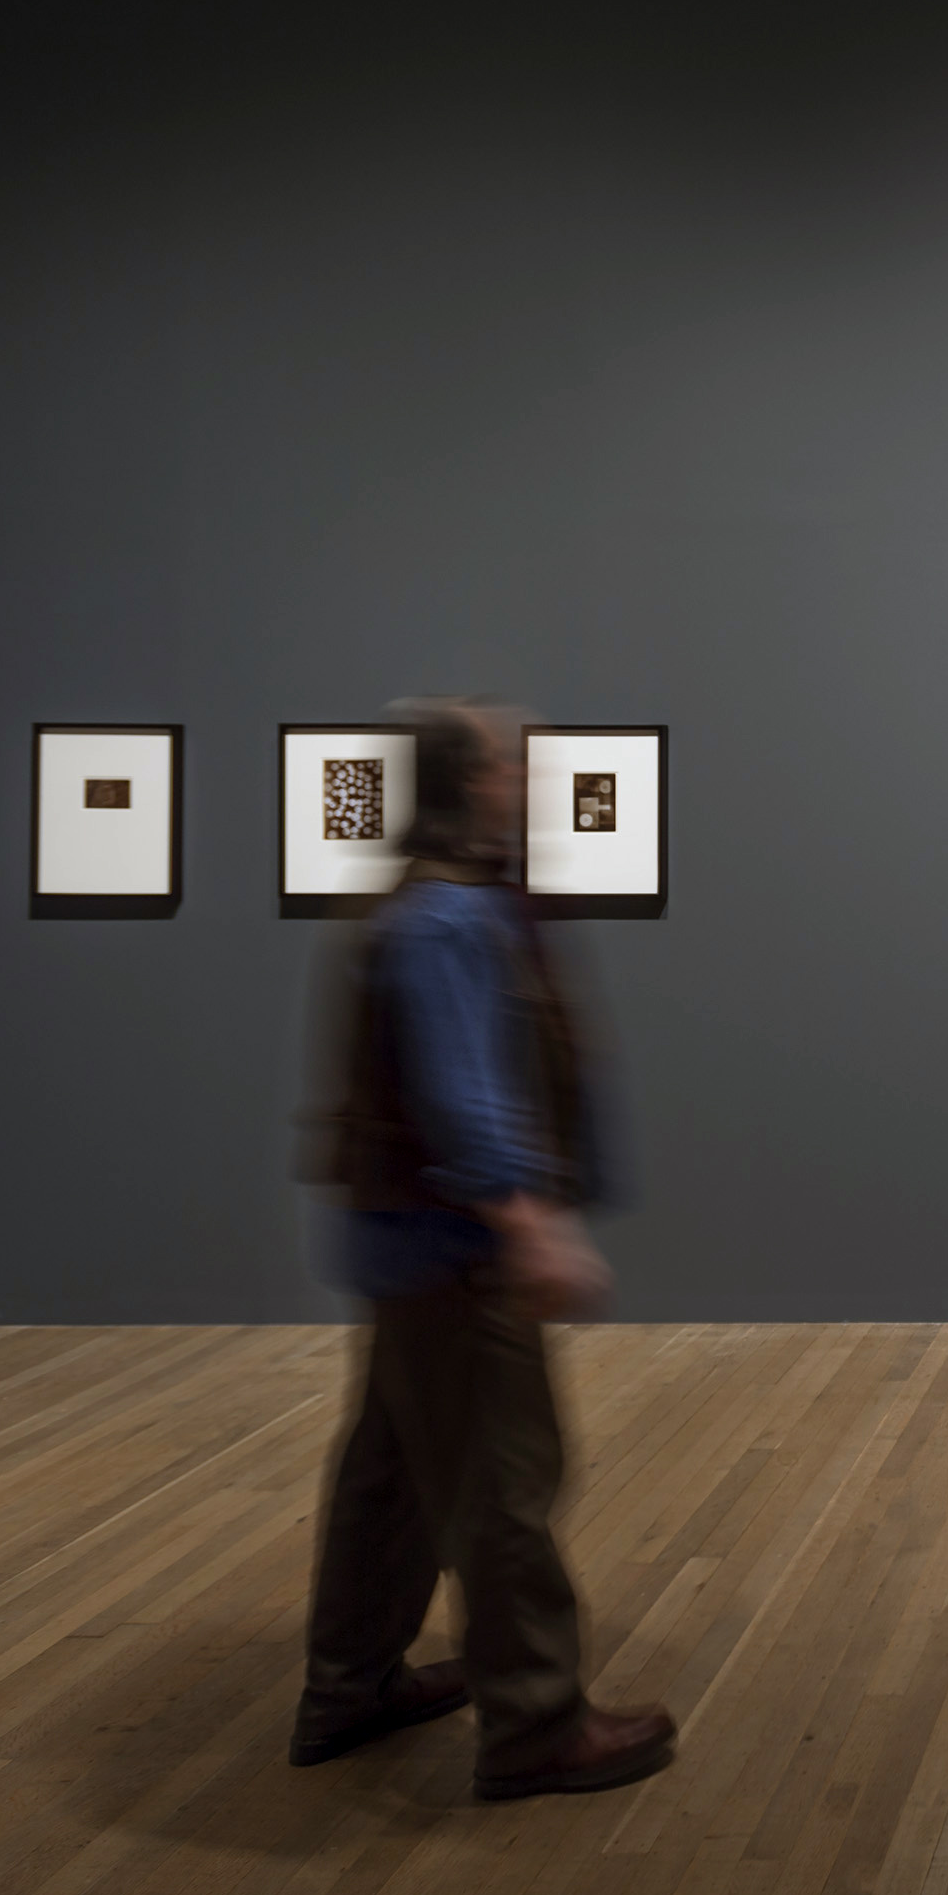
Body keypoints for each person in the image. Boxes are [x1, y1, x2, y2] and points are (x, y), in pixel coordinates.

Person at [289, 698, 676, 1800]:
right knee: (505, 1481)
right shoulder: (449, 920)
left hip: (402, 1248)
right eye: (510, 763)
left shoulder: (414, 904)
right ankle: (539, 1722)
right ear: (467, 784)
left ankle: (349, 1687)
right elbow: (463, 1096)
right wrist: (530, 1221)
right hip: (452, 1249)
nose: (525, 777)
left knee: (394, 1474)